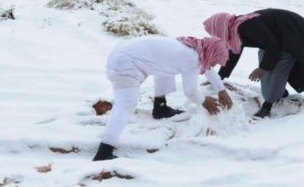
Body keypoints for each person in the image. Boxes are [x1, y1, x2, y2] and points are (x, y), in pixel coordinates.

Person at [93, 35, 234, 161]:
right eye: (215, 61)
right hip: (125, 63)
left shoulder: (193, 47)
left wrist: (221, 89)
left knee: (166, 67)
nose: (214, 65)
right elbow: (190, 91)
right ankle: (104, 151)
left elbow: (206, 67)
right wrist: (203, 101)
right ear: (211, 53)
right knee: (125, 105)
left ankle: (160, 108)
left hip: (124, 53)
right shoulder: (191, 58)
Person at [203, 9, 304, 118]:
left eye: (215, 32)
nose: (217, 36)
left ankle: (267, 106)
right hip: (275, 39)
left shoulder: (245, 26)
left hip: (292, 32)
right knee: (267, 63)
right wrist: (219, 78)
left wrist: (262, 68)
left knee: (277, 66)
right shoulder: (235, 30)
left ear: (220, 27)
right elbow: (234, 53)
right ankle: (280, 92)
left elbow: (273, 46)